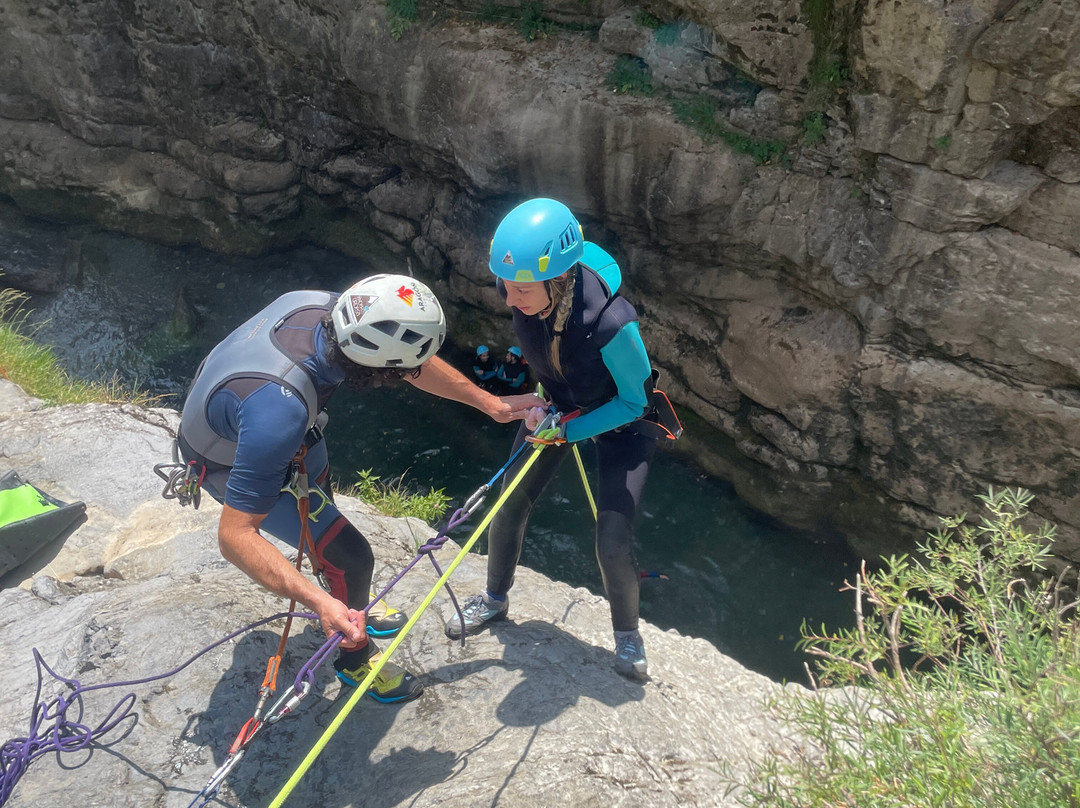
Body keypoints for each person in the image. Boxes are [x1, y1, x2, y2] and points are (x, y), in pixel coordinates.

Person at [178, 274, 540, 702]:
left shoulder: (328, 307)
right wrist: (317, 603)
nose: (403, 378)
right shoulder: (279, 412)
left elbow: (409, 363)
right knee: (351, 556)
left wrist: (489, 403)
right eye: (397, 373)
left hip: (271, 429)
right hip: (231, 458)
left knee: (325, 507)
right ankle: (354, 655)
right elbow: (234, 536)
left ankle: (348, 597)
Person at [444, 198, 663, 679]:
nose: (508, 299)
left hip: (624, 426)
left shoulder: (613, 325)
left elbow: (635, 401)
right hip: (559, 408)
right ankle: (495, 599)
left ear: (559, 279)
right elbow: (552, 362)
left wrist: (566, 430)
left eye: (520, 288)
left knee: (611, 540)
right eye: (506, 285)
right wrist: (544, 406)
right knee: (507, 504)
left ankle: (628, 636)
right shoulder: (529, 296)